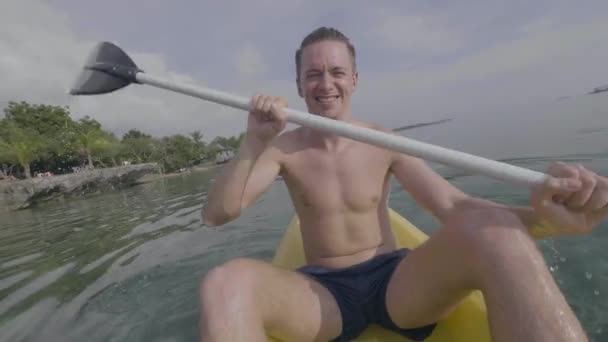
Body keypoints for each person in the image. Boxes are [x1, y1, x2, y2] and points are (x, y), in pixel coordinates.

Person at [199, 27, 607, 342]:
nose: (326, 84)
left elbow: (454, 206)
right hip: (323, 294)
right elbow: (218, 214)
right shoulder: (280, 150)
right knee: (223, 284)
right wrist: (253, 142)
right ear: (300, 85)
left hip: (396, 286)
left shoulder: (383, 140)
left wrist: (545, 219)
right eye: (314, 74)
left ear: (354, 79)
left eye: (337, 72)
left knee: (498, 236)